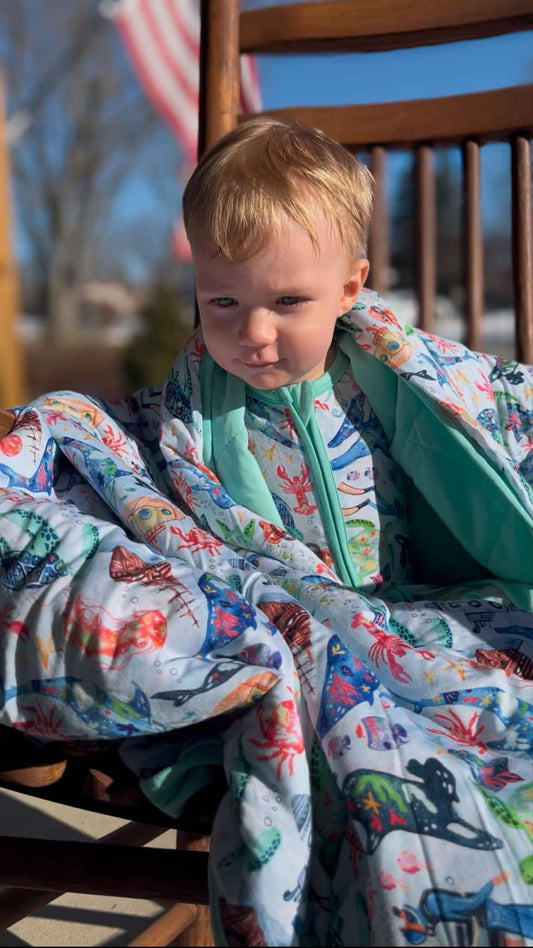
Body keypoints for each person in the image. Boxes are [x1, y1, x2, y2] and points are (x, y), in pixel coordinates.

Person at [1, 116, 532, 948]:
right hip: (295, 618)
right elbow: (140, 464)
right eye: (223, 300)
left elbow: (488, 429)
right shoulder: (200, 408)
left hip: (425, 606)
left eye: (288, 302)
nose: (250, 332)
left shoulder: (392, 385)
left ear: (351, 288)